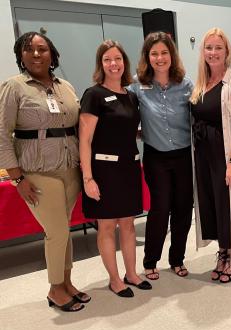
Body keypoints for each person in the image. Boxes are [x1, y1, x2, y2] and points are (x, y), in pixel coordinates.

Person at [0, 32, 88, 312]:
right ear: (20, 55)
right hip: (37, 171)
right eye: (29, 50)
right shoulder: (14, 87)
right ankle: (54, 288)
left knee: (64, 228)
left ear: (52, 54)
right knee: (57, 231)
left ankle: (67, 282)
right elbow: (2, 134)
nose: (36, 54)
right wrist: (17, 177)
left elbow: (80, 124)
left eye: (42, 49)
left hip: (69, 168)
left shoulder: (66, 86)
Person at [79, 40, 151, 298]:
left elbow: (130, 130)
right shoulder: (94, 95)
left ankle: (131, 273)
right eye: (107, 59)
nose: (113, 64)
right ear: (101, 64)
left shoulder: (131, 95)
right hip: (104, 171)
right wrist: (88, 178)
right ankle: (114, 279)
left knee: (129, 225)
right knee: (107, 226)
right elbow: (85, 140)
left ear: (124, 63)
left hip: (129, 168)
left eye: (117, 59)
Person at [128, 32, 193, 281]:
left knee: (183, 209)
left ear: (172, 55)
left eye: (164, 53)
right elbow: (123, 112)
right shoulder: (137, 84)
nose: (159, 58)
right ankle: (150, 259)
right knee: (160, 208)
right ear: (147, 57)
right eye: (154, 53)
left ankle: (177, 258)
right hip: (156, 157)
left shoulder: (185, 84)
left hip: (184, 156)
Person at [190, 28, 231, 283]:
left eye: (218, 48)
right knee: (212, 203)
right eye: (209, 48)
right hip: (203, 154)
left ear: (227, 52)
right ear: (203, 52)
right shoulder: (201, 82)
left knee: (229, 206)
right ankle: (222, 251)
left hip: (224, 154)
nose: (213, 53)